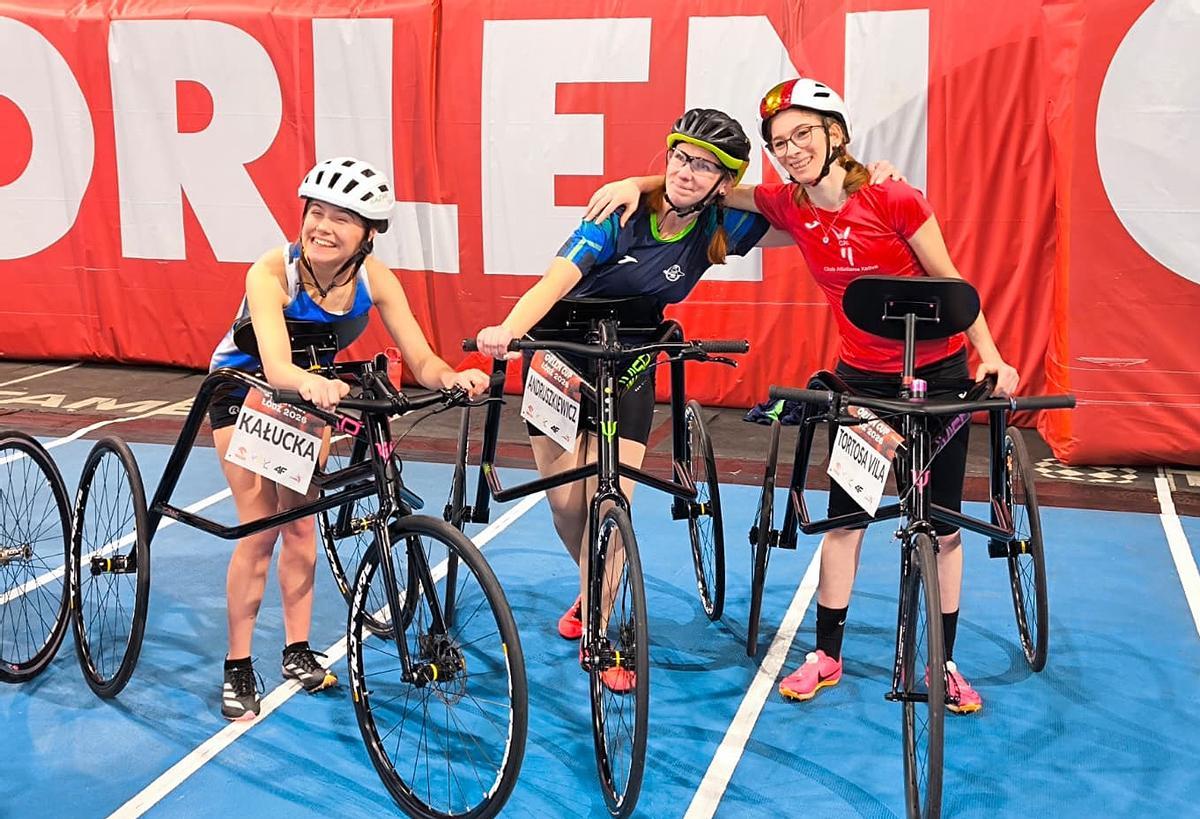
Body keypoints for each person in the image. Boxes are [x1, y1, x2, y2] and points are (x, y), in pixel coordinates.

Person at [586, 79, 1019, 714]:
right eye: (779, 141)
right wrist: (634, 184)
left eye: (803, 134)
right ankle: (826, 655)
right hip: (861, 383)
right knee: (845, 523)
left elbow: (950, 280)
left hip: (940, 380)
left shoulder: (895, 198)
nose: (789, 149)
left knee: (944, 528)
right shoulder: (788, 205)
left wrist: (993, 355)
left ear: (834, 133)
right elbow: (707, 180)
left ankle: (942, 663)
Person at [475, 109, 898, 692]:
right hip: (558, 349)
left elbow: (810, 208)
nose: (687, 173)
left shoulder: (722, 223)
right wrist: (506, 328)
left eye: (705, 167)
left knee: (608, 507)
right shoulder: (619, 213)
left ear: (725, 183)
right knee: (567, 507)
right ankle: (590, 582)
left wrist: (863, 180)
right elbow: (552, 283)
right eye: (679, 158)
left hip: (633, 353)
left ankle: (603, 630)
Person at [208, 156, 489, 720]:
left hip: (308, 401)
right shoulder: (270, 273)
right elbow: (279, 370)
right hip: (245, 393)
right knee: (261, 530)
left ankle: (296, 650)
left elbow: (423, 358)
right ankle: (237, 664)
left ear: (368, 235)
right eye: (316, 212)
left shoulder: (374, 279)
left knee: (303, 526)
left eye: (342, 217)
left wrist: (454, 377)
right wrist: (316, 384)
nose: (322, 226)